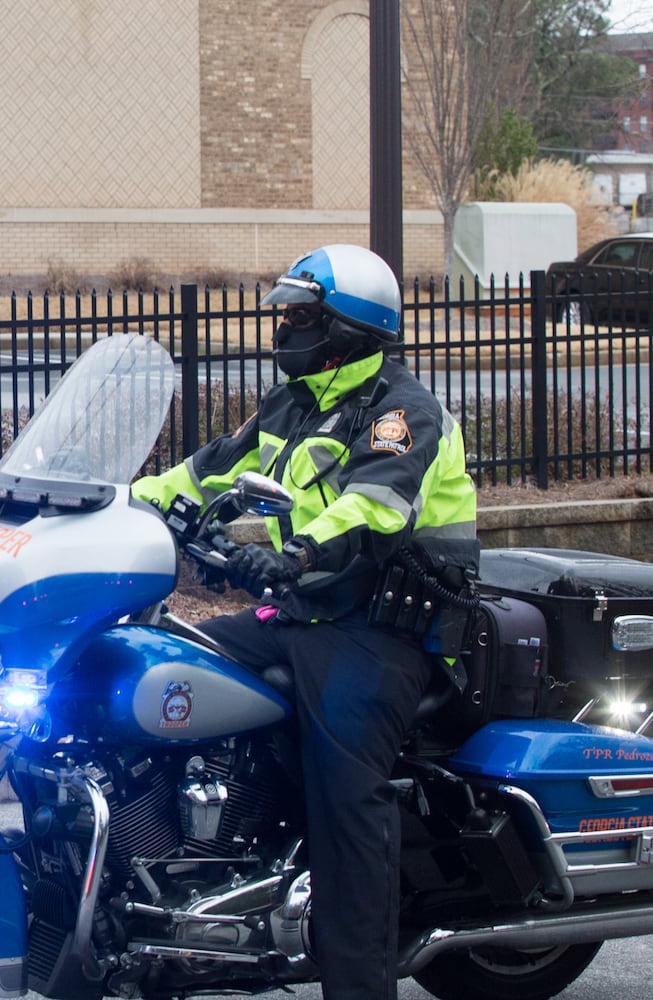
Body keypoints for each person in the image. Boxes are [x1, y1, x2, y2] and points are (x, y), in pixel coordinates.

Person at [131, 244, 478, 1000]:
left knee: (346, 791)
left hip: (381, 631)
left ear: (347, 327)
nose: (282, 326)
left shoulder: (401, 411)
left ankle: (358, 985)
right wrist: (107, 504)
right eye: (284, 312)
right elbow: (200, 471)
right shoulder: (290, 405)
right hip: (299, 614)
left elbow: (375, 505)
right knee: (156, 664)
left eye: (298, 314)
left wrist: (298, 553)